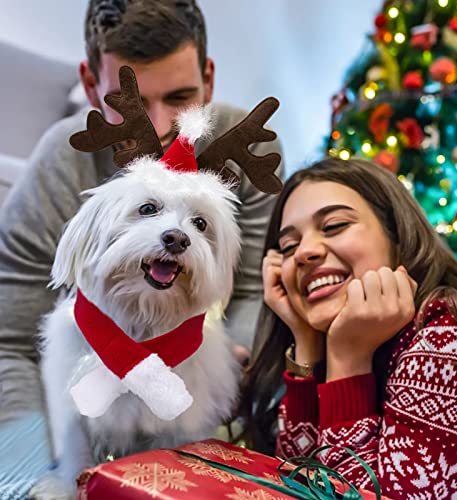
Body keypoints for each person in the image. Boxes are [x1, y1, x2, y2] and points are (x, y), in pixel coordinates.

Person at [0, 0, 283, 492]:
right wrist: (28, 477)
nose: (159, 126)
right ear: (89, 85)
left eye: (181, 97)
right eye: (126, 100)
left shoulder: (249, 148)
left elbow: (250, 289)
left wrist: (219, 388)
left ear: (209, 78)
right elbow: (8, 337)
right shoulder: (59, 162)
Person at [240, 158, 457, 499]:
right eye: (288, 247)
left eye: (333, 226)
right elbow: (295, 483)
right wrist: (305, 341)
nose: (304, 252)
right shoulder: (357, 334)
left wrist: (348, 360)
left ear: (396, 234)